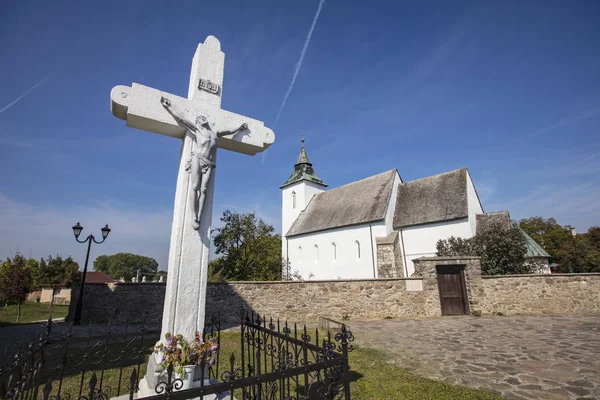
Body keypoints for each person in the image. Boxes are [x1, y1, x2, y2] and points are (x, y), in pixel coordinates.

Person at [161, 96, 247, 229]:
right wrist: (169, 106)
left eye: (203, 118)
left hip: (209, 163)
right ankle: (193, 215)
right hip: (198, 158)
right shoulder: (197, 130)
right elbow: (182, 119)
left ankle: (199, 216)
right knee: (195, 186)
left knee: (204, 189)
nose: (202, 119)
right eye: (199, 119)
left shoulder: (215, 133)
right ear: (198, 123)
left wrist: (240, 128)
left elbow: (230, 131)